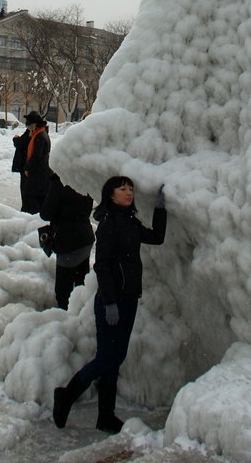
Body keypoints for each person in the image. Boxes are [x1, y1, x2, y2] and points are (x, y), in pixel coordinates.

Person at [53, 175, 166, 434]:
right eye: (122, 188)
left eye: (130, 189)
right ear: (110, 194)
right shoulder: (108, 223)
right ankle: (67, 395)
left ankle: (106, 415)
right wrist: (110, 302)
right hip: (110, 302)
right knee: (107, 358)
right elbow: (101, 265)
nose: (128, 193)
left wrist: (160, 208)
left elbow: (157, 237)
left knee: (115, 359)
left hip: (128, 299)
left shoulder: (130, 222)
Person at [40, 173, 95, 309]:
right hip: (85, 237)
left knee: (63, 292)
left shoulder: (60, 182)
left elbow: (45, 213)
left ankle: (67, 318)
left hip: (68, 242)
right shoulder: (85, 178)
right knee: (81, 281)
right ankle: (81, 313)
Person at [20, 111, 51, 214]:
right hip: (40, 173)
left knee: (31, 198)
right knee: (37, 198)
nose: (28, 128)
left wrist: (27, 167)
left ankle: (29, 218)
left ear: (33, 125)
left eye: (28, 126)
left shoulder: (40, 136)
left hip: (39, 173)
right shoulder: (41, 134)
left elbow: (36, 156)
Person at [12, 118, 33, 209]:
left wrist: (15, 139)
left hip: (25, 166)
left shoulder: (30, 134)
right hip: (26, 166)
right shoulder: (33, 134)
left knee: (25, 188)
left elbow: (21, 144)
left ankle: (26, 207)